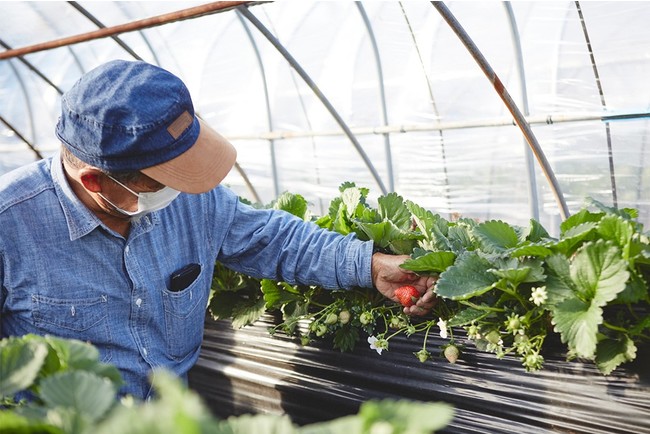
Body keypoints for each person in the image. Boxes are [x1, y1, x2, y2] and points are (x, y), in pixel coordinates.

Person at [0, 60, 436, 400]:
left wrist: (370, 265)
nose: (182, 189)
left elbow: (273, 239)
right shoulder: (10, 225)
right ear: (96, 181)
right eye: (163, 180)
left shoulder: (195, 201)